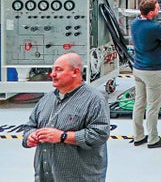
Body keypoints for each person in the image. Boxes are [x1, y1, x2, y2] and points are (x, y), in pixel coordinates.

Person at [22, 53, 110, 181]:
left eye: (59, 70)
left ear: (75, 72)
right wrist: (30, 136)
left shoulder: (94, 100)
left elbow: (99, 134)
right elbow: (29, 126)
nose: (52, 74)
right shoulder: (46, 99)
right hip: (47, 177)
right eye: (52, 70)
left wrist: (63, 136)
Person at [131, 0, 161, 149]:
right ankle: (153, 139)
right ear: (151, 13)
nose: (159, 10)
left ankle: (138, 136)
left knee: (139, 103)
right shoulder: (155, 27)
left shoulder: (134, 23)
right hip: (153, 71)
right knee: (153, 107)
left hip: (138, 68)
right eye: (157, 8)